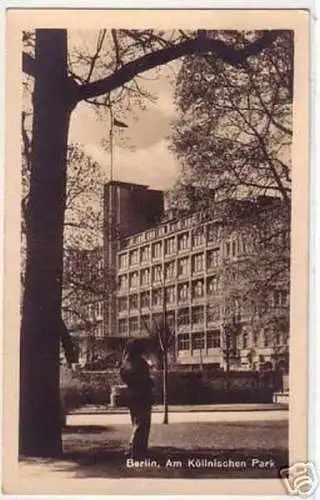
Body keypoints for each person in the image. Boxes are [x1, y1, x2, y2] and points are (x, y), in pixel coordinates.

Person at [120, 339, 154, 459]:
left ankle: (133, 449)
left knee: (136, 423)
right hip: (143, 397)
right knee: (142, 424)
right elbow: (144, 380)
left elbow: (124, 376)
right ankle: (137, 451)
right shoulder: (141, 363)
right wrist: (150, 381)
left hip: (132, 397)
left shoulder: (126, 363)